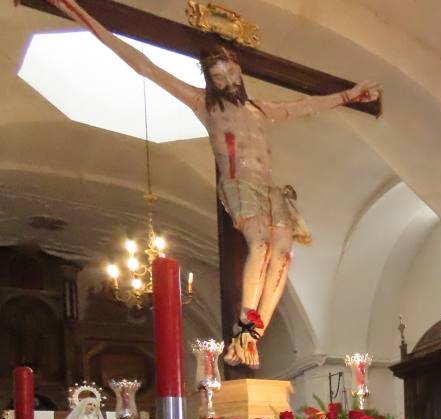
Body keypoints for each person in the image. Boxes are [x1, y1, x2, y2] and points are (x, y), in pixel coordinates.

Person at [47, 0, 379, 368]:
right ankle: (245, 317)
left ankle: (253, 333)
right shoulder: (204, 106)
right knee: (260, 245)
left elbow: (309, 105)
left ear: (240, 73)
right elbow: (144, 66)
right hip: (240, 185)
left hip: (271, 190)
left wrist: (350, 95)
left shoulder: (263, 110)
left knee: (283, 253)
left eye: (229, 73)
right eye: (217, 77)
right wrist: (79, 13)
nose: (225, 81)